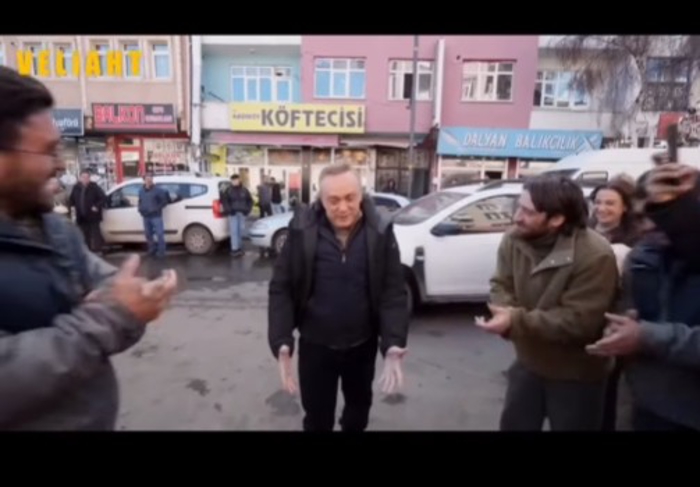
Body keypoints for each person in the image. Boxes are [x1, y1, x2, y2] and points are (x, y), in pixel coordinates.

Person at [0, 65, 178, 430]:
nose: (60, 165)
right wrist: (109, 316)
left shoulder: (54, 229)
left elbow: (119, 294)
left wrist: (130, 303)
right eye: (48, 151)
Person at [267, 163, 409, 432]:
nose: (343, 207)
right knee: (317, 421)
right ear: (321, 200)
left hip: (362, 347)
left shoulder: (380, 231)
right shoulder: (302, 230)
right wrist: (281, 340)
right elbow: (281, 288)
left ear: (361, 194)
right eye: (333, 200)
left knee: (357, 417)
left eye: (350, 198)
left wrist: (393, 342)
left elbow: (392, 291)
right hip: (315, 348)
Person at [477, 174, 619, 431]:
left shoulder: (595, 255)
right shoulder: (514, 238)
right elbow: (500, 283)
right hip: (527, 363)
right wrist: (504, 311)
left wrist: (514, 320)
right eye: (518, 207)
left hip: (577, 375)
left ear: (556, 219)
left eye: (528, 212)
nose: (517, 217)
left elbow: (578, 321)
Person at [587, 160, 700, 431]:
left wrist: (646, 336)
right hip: (647, 405)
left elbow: (646, 334)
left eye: (662, 212)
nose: (649, 225)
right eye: (642, 216)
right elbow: (628, 316)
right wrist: (618, 329)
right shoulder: (641, 258)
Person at [588, 176, 643, 430]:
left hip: (612, 320)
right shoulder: (584, 232)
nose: (602, 208)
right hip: (583, 318)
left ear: (625, 208)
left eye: (610, 203)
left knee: (607, 389)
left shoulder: (633, 244)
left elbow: (632, 291)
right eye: (598, 202)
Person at [69, 169, 107, 253]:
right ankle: (87, 251)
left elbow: (103, 198)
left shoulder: (94, 187)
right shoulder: (76, 188)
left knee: (95, 234)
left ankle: (97, 250)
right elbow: (72, 200)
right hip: (81, 216)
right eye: (83, 177)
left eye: (87, 177)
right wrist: (72, 208)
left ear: (89, 178)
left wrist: (96, 206)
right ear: (80, 178)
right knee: (84, 235)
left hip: (93, 216)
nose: (85, 179)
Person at [137, 172, 170, 258]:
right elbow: (140, 201)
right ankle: (152, 249)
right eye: (147, 179)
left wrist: (156, 208)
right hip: (146, 216)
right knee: (148, 234)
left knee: (159, 234)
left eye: (150, 178)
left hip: (156, 216)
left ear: (152, 179)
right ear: (144, 180)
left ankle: (161, 251)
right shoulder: (141, 191)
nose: (149, 180)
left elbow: (164, 202)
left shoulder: (158, 190)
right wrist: (140, 208)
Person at [221, 174, 253, 256]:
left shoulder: (244, 190)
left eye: (236, 180)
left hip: (242, 214)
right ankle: (234, 249)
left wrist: (247, 210)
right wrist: (229, 210)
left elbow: (250, 201)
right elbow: (225, 201)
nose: (235, 182)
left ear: (239, 180)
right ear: (231, 181)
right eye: (233, 180)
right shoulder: (228, 190)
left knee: (241, 231)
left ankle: (239, 248)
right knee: (234, 231)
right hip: (233, 214)